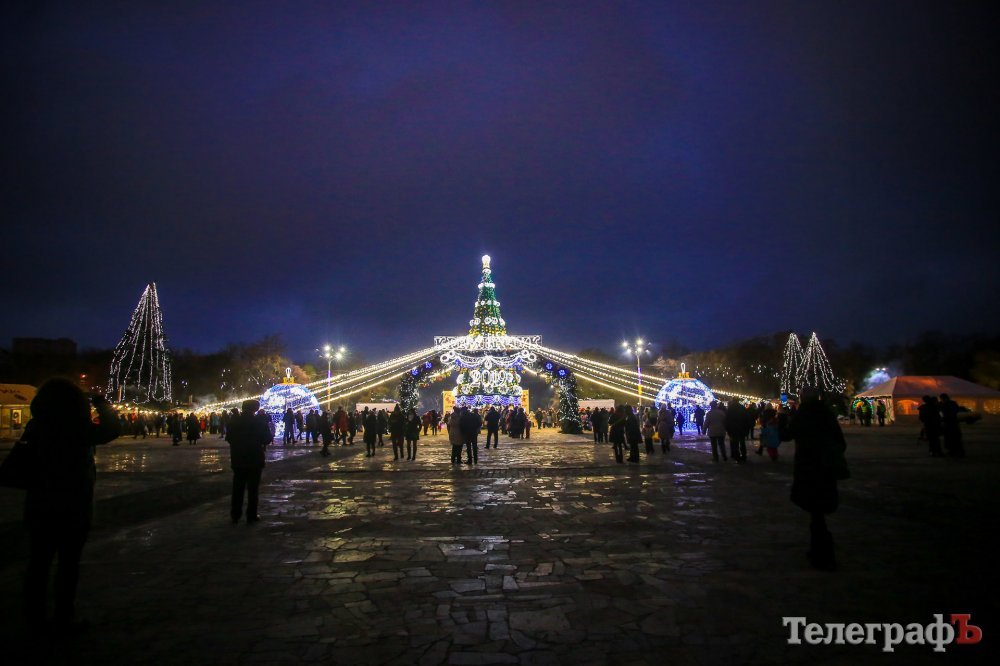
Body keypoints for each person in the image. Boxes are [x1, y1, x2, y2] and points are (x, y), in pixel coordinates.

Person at [19, 380, 119, 633]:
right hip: (72, 501)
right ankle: (63, 616)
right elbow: (111, 429)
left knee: (38, 563)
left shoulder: (37, 426)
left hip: (39, 502)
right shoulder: (76, 428)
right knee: (68, 562)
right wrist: (101, 402)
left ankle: (33, 616)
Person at [783, 387, 848, 571]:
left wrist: (782, 420)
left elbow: (786, 435)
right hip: (826, 468)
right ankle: (822, 549)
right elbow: (840, 441)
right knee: (819, 508)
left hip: (808, 467)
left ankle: (821, 551)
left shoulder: (802, 415)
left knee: (814, 509)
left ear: (803, 398)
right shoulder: (826, 414)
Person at [226, 399, 271, 525]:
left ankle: (235, 514)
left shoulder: (234, 422)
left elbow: (229, 438)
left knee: (237, 488)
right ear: (255, 409)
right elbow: (267, 439)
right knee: (253, 489)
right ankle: (251, 515)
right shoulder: (259, 422)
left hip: (238, 458)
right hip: (254, 458)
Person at [939, 394, 965, 458]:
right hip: (952, 423)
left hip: (950, 424)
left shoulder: (947, 404)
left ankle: (955, 451)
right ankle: (956, 451)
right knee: (954, 439)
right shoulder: (952, 403)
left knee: (952, 438)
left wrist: (944, 418)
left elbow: (950, 414)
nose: (941, 400)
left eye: (942, 399)